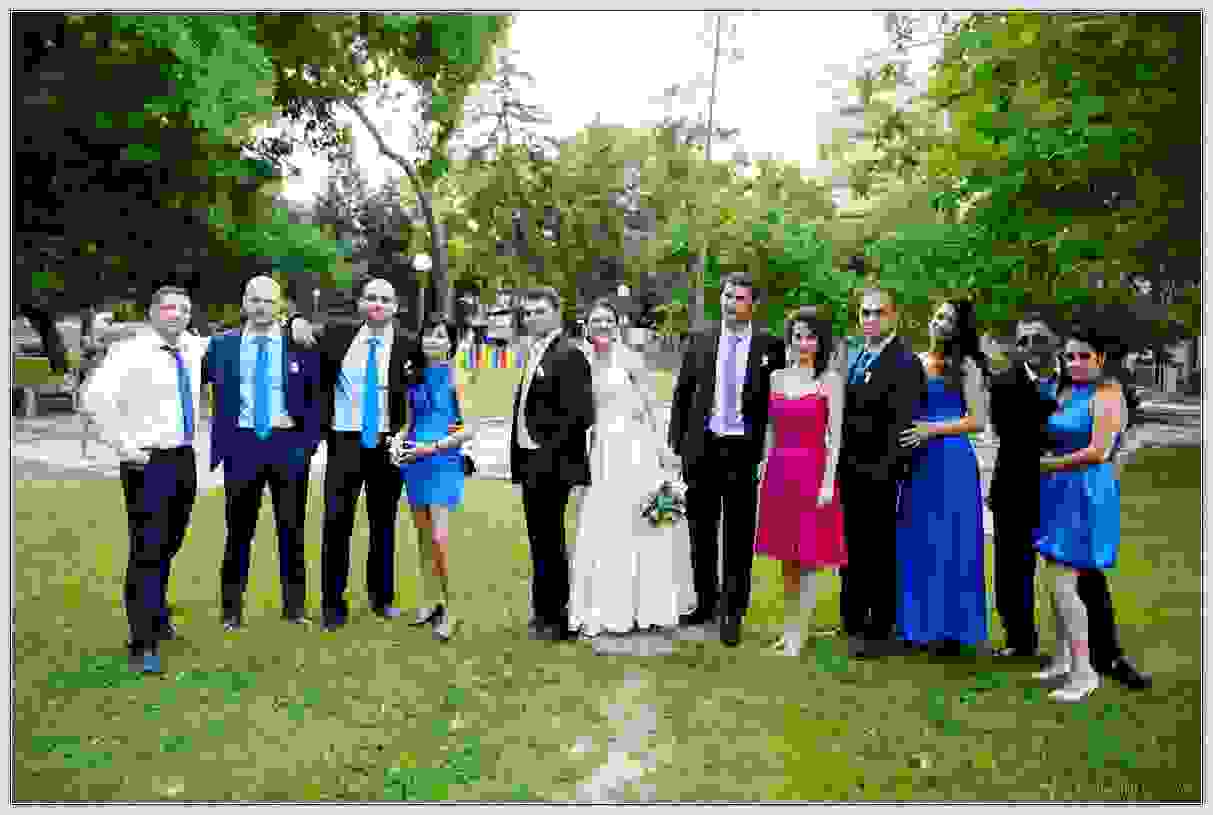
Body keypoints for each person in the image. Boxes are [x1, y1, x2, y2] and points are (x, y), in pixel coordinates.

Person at [81, 285, 208, 674]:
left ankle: (157, 615)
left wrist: (294, 321)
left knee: (171, 541)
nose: (177, 314)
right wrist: (125, 446)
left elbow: (240, 337)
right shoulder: (130, 352)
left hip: (182, 457)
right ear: (153, 313)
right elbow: (94, 397)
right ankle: (142, 642)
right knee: (147, 548)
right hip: (146, 461)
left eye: (184, 309)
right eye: (169, 308)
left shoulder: (192, 347)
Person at [287, 278, 420, 631]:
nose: (378, 304)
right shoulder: (336, 335)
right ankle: (333, 605)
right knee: (336, 523)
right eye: (371, 298)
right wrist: (294, 320)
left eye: (385, 299)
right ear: (360, 304)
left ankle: (382, 598)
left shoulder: (409, 344)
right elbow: (295, 332)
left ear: (396, 307)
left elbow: (425, 384)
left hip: (387, 445)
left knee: (383, 524)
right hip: (344, 442)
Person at [668, 272, 786, 647]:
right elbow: (683, 393)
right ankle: (706, 603)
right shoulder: (700, 340)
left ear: (753, 305)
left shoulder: (771, 346)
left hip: (742, 452)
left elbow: (777, 401)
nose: (730, 303)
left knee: (737, 536)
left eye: (739, 298)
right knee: (700, 532)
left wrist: (770, 451)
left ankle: (733, 613)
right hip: (701, 448)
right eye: (727, 296)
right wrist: (677, 445)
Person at [568, 298, 694, 639]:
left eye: (608, 320)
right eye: (596, 321)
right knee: (606, 524)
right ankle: (608, 606)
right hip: (601, 452)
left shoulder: (631, 359)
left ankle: (650, 606)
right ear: (587, 326)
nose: (602, 326)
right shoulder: (581, 362)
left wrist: (662, 449)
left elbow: (651, 406)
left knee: (646, 522)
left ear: (617, 324)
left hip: (636, 449)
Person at [204, 276, 322, 631]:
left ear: (279, 305)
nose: (261, 307)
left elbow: (316, 395)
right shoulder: (221, 344)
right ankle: (231, 612)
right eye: (254, 300)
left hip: (287, 445)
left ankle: (294, 609)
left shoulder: (298, 342)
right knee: (238, 532)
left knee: (292, 530)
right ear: (244, 303)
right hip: (242, 445)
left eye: (269, 301)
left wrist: (306, 445)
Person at [1033, 323, 1127, 702]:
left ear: (1101, 358)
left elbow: (1099, 451)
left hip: (1085, 492)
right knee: (1054, 577)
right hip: (1058, 491)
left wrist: (1048, 465)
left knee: (1064, 582)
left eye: (1083, 356)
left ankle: (1085, 673)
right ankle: (1063, 660)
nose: (1074, 363)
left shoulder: (1108, 394)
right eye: (1069, 356)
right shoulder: (1067, 390)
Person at [895, 299, 991, 655]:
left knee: (951, 541)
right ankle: (916, 626)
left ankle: (952, 629)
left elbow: (977, 421)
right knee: (917, 540)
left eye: (948, 320)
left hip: (951, 462)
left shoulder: (966, 366)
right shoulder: (915, 361)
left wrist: (930, 430)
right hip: (918, 462)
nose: (939, 323)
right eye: (937, 316)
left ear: (960, 328)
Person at [838, 284, 926, 659]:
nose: (871, 319)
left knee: (879, 550)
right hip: (850, 468)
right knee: (853, 546)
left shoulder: (905, 361)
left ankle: (879, 626)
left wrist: (888, 470)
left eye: (878, 312)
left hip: (881, 471)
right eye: (865, 313)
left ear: (894, 317)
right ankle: (853, 618)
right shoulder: (857, 356)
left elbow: (904, 424)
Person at [753, 306, 846, 657]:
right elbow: (771, 429)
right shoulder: (777, 377)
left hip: (812, 472)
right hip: (780, 473)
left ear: (820, 342)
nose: (803, 343)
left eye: (810, 337)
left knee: (808, 558)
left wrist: (828, 483)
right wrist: (764, 465)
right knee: (786, 557)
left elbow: (835, 438)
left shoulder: (830, 381)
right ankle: (788, 629)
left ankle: (798, 635)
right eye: (797, 336)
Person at [509, 287, 595, 642]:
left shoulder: (569, 353)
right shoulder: (534, 350)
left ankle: (557, 619)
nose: (531, 318)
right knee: (539, 540)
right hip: (529, 459)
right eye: (527, 313)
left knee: (551, 541)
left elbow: (581, 414)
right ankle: (542, 611)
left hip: (553, 463)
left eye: (539, 311)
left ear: (558, 312)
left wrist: (547, 449)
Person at [988, 312, 1066, 660]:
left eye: (1039, 338)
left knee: (1076, 567)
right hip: (1015, 487)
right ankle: (1020, 641)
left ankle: (1085, 642)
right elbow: (1013, 434)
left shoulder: (1077, 379)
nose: (1031, 345)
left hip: (1068, 487)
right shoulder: (1003, 383)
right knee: (1012, 571)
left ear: (1055, 341)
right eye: (1023, 340)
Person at [394, 313, 476, 643]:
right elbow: (409, 423)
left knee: (441, 540)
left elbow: (468, 429)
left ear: (451, 342)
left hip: (442, 461)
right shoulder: (414, 374)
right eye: (428, 334)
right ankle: (431, 602)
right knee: (424, 539)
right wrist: (398, 440)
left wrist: (432, 447)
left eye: (441, 335)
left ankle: (452, 610)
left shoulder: (459, 376)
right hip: (414, 463)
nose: (433, 341)